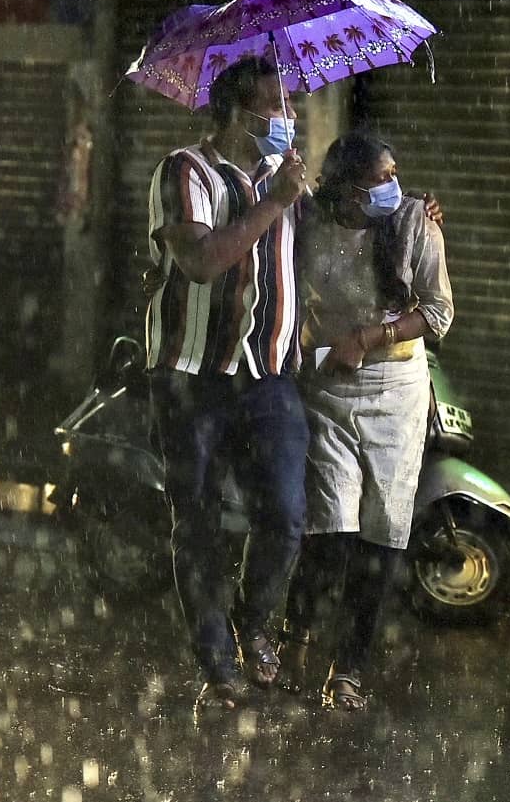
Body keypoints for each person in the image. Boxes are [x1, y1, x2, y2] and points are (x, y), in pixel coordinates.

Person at [146, 57, 310, 709]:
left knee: (288, 514)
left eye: (289, 104)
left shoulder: (285, 179)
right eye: (275, 105)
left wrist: (416, 215)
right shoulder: (185, 171)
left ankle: (253, 617)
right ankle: (217, 658)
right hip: (193, 377)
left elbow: (333, 240)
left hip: (267, 375)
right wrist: (274, 203)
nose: (288, 117)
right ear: (239, 114)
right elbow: (204, 261)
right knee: (199, 523)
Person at [278, 131, 454, 710]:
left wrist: (370, 336)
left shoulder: (412, 224)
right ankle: (293, 641)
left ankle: (347, 670)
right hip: (327, 386)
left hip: (396, 392)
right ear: (348, 189)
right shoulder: (305, 222)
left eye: (395, 174)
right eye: (381, 178)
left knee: (382, 537)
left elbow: (437, 310)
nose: (393, 187)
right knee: (329, 529)